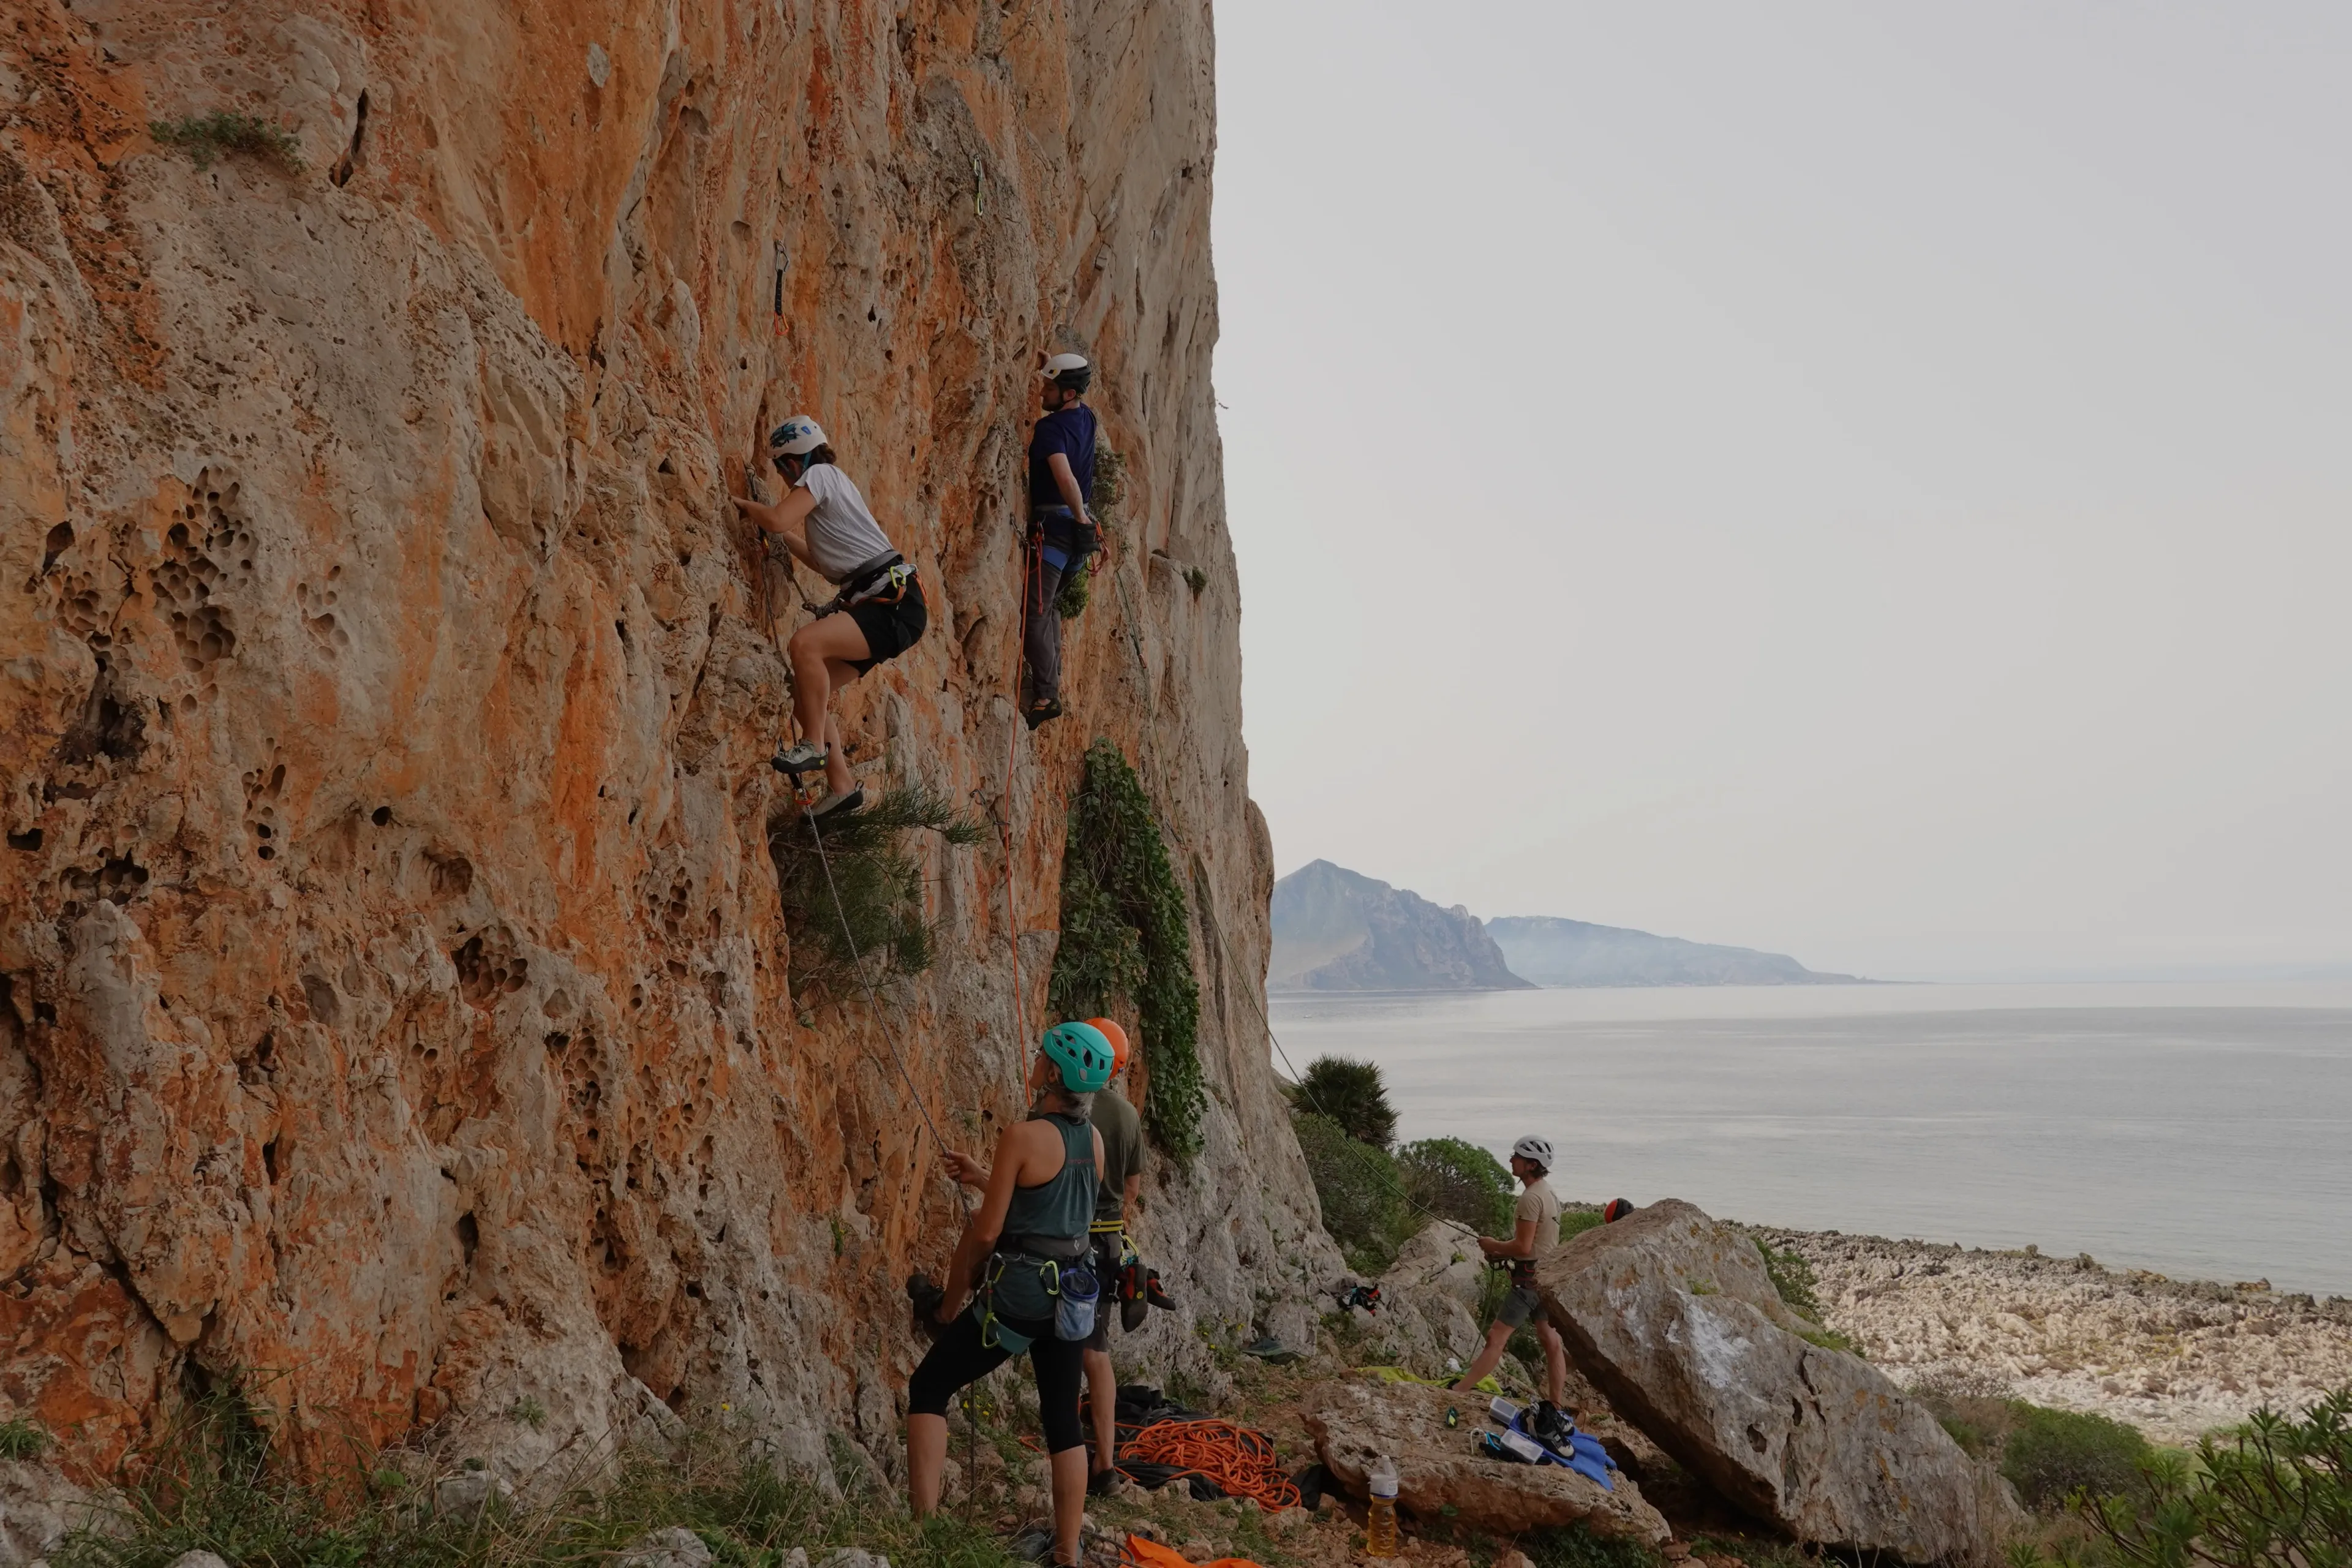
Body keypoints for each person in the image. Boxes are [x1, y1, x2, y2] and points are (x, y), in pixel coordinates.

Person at [907, 1023, 1115, 1568]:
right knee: (1063, 1424)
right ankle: (1067, 1555)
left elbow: (986, 1232)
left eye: (1042, 1058)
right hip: (1070, 1301)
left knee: (929, 1386)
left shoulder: (1023, 1137)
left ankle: (925, 1529)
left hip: (1019, 1300)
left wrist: (951, 1304)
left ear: (1052, 1074)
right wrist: (985, 1176)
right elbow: (1055, 1209)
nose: (1035, 1062)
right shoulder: (1093, 1140)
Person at [729, 416, 927, 818]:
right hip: (888, 604)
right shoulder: (832, 487)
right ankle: (842, 788)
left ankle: (815, 747)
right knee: (806, 696)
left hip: (890, 603)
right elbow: (821, 563)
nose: (786, 483)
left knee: (805, 644)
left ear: (790, 463)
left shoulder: (819, 475)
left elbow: (780, 518)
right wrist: (778, 534)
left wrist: (748, 508)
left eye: (783, 472)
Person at [1452, 1134, 1575, 1451]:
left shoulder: (1529, 1198)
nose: (1511, 1160)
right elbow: (1535, 1244)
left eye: (1517, 1156)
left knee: (1496, 1337)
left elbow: (1523, 1246)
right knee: (1551, 1342)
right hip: (1546, 1279)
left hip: (1528, 1283)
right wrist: (1506, 1254)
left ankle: (1460, 1391)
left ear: (1531, 1164)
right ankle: (1557, 1406)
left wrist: (1493, 1245)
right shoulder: (1548, 1193)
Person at [1077, 1017, 1145, 1494]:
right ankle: (1104, 1461)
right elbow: (1133, 1191)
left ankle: (1068, 1448)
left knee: (1062, 1348)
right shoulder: (1126, 1115)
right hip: (1108, 1244)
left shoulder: (1063, 1110)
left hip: (1064, 1241)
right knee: (1094, 1353)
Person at [1020, 352, 1100, 729]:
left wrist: (1081, 515)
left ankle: (1047, 695)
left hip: (1056, 532)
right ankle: (1050, 686)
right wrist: (1050, 362)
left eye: (1050, 387)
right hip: (1076, 542)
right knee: (1049, 608)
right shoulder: (1088, 418)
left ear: (1068, 394)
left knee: (1036, 611)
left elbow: (1066, 477)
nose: (1042, 391)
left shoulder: (1049, 430)